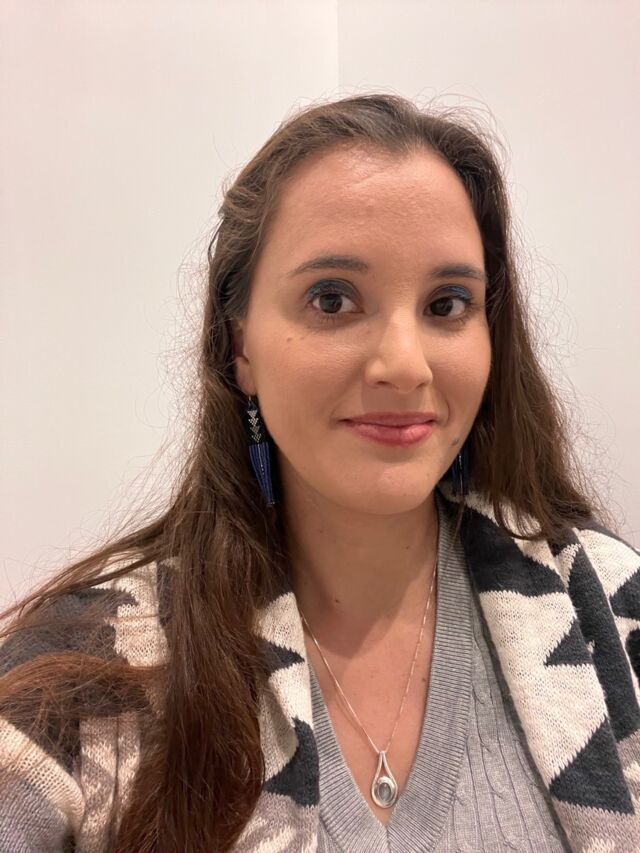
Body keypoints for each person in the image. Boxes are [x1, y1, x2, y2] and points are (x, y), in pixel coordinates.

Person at [0, 93, 639, 853]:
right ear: (240, 348)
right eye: (333, 299)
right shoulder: (83, 679)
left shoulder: (607, 608)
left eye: (447, 304)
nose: (405, 364)